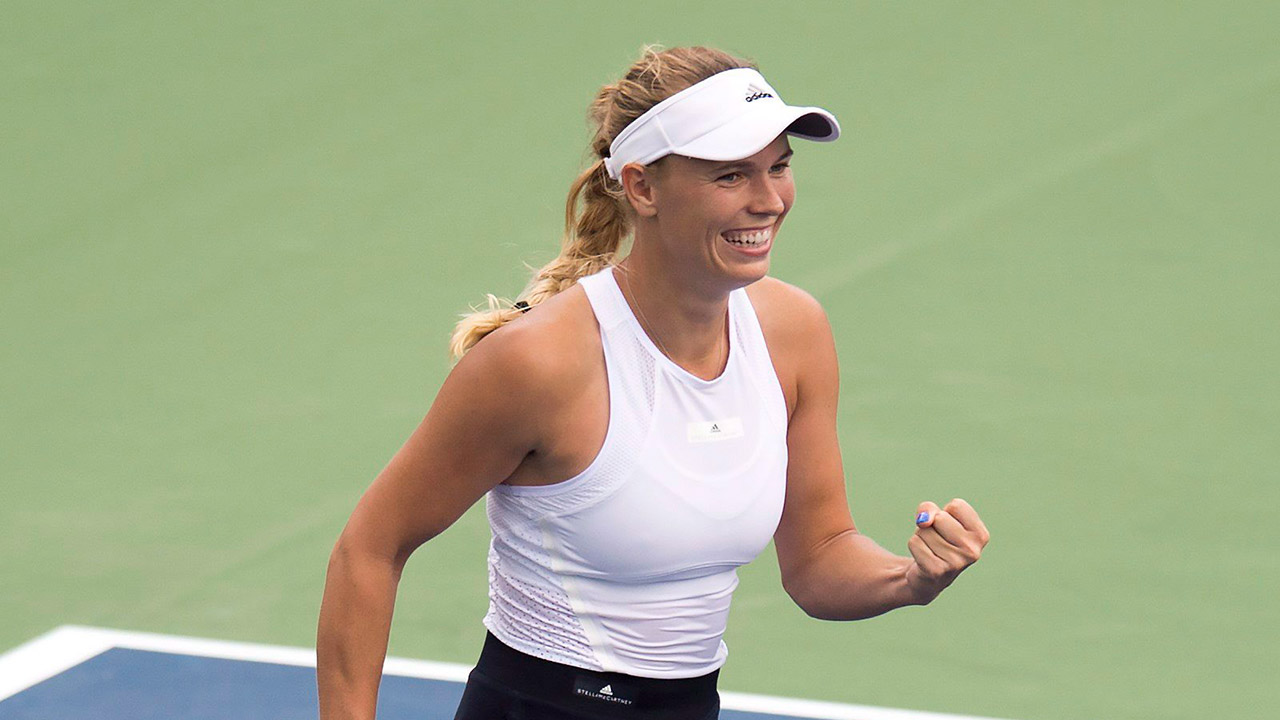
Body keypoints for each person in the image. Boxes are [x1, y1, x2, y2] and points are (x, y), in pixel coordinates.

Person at [316, 45, 990, 720]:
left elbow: (819, 557)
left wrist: (911, 579)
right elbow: (370, 548)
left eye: (779, 167)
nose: (768, 200)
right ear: (642, 187)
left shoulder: (795, 332)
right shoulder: (538, 364)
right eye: (730, 177)